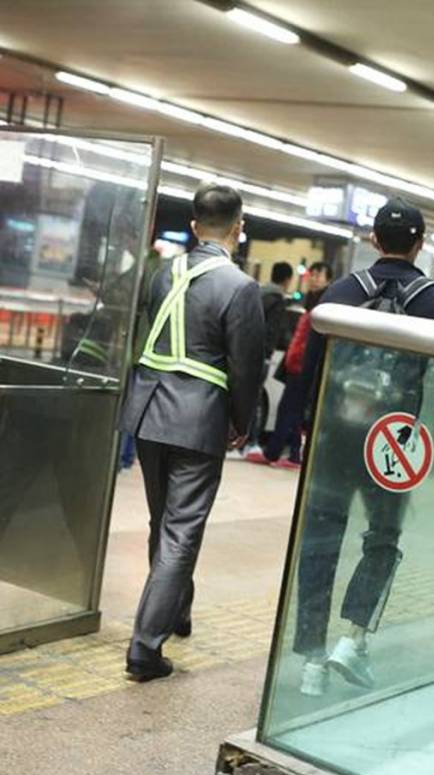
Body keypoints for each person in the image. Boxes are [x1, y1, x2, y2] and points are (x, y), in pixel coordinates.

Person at [295, 197, 434, 697]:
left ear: (373, 240)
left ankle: (311, 663)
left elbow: (310, 372)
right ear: (420, 244)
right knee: (384, 539)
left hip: (334, 439)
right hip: (391, 446)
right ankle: (352, 640)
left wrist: (305, 431)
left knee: (320, 542)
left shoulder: (341, 293)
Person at [119, 184, 265, 682]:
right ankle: (145, 648)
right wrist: (242, 422)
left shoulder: (164, 273)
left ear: (196, 226)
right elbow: (246, 368)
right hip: (198, 419)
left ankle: (175, 610)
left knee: (163, 522)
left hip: (148, 413)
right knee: (181, 532)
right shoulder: (240, 287)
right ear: (238, 229)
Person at [249, 262, 333, 468]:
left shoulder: (326, 303)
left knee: (290, 409)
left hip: (305, 365)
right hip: (296, 364)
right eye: (312, 274)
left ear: (328, 280)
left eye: (319, 275)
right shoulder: (310, 300)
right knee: (292, 410)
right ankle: (291, 454)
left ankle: (278, 454)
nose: (314, 279)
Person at [243, 261, 294, 458]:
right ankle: (252, 443)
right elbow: (273, 331)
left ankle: (237, 442)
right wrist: (267, 354)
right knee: (255, 402)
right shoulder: (278, 300)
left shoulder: (258, 293)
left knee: (244, 398)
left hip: (245, 352)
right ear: (288, 280)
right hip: (261, 357)